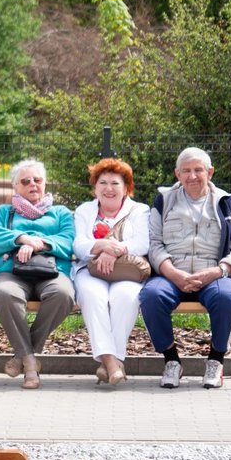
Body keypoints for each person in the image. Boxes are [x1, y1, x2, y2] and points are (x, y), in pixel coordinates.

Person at [140, 147, 231, 389]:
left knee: (227, 296)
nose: (192, 176)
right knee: (151, 295)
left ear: (210, 172)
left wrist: (217, 271)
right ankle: (171, 361)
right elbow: (154, 244)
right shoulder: (163, 200)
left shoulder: (227, 203)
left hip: (213, 273)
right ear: (177, 174)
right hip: (171, 273)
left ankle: (216, 359)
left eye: (198, 170)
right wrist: (173, 273)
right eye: (186, 171)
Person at [0, 159, 75, 389]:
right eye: (25, 181)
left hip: (52, 271)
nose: (32, 184)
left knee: (63, 294)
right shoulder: (5, 212)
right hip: (11, 272)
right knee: (5, 294)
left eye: (37, 180)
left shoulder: (60, 213)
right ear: (16, 186)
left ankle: (24, 356)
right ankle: (30, 363)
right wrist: (21, 239)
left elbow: (68, 240)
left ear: (45, 183)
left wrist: (39, 243)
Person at [72, 158, 150, 386]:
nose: (108, 188)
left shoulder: (139, 210)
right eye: (102, 182)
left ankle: (109, 363)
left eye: (115, 183)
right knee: (92, 296)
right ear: (94, 187)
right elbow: (78, 243)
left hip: (127, 270)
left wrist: (115, 250)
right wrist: (101, 246)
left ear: (126, 188)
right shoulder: (85, 210)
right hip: (90, 269)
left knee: (126, 297)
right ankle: (112, 362)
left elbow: (142, 243)